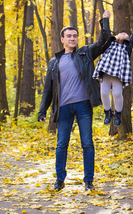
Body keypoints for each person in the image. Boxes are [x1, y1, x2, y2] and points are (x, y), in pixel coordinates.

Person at [38, 10, 111, 192]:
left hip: (83, 105)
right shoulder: (54, 62)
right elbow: (48, 89)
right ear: (62, 39)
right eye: (68, 36)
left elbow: (104, 41)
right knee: (62, 144)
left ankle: (88, 181)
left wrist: (105, 21)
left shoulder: (85, 54)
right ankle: (60, 180)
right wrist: (42, 110)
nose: (72, 38)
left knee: (87, 143)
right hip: (63, 108)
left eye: (75, 35)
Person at [92, 18, 133, 127]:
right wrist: (105, 18)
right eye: (121, 33)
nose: (124, 33)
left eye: (126, 34)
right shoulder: (109, 42)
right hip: (106, 71)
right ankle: (107, 112)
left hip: (119, 74)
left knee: (117, 94)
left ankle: (118, 114)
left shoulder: (127, 45)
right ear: (116, 35)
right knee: (104, 93)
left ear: (128, 39)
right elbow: (106, 31)